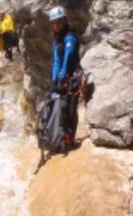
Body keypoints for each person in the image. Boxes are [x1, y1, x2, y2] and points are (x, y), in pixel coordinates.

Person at [48, 6, 81, 145]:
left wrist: (62, 75)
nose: (56, 25)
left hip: (72, 76)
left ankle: (70, 138)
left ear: (64, 21)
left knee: (71, 108)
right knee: (61, 107)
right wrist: (54, 80)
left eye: (58, 22)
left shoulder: (70, 36)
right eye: (54, 23)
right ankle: (61, 135)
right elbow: (57, 60)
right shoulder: (57, 39)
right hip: (63, 76)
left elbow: (67, 58)